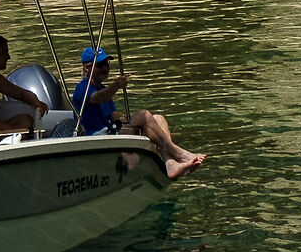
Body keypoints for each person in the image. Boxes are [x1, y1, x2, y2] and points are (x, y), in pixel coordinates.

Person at [67, 47, 205, 179]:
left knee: (158, 119)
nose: (105, 68)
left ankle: (170, 163)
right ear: (87, 68)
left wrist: (133, 123)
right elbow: (98, 98)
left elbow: (114, 115)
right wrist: (116, 85)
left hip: (110, 131)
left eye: (106, 64)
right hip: (95, 137)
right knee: (143, 115)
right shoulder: (82, 89)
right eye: (100, 65)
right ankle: (179, 154)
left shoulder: (102, 88)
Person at [0, 33, 48, 134]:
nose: (8, 57)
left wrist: (35, 100)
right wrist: (9, 129)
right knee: (20, 130)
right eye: (4, 52)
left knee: (26, 120)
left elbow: (23, 94)